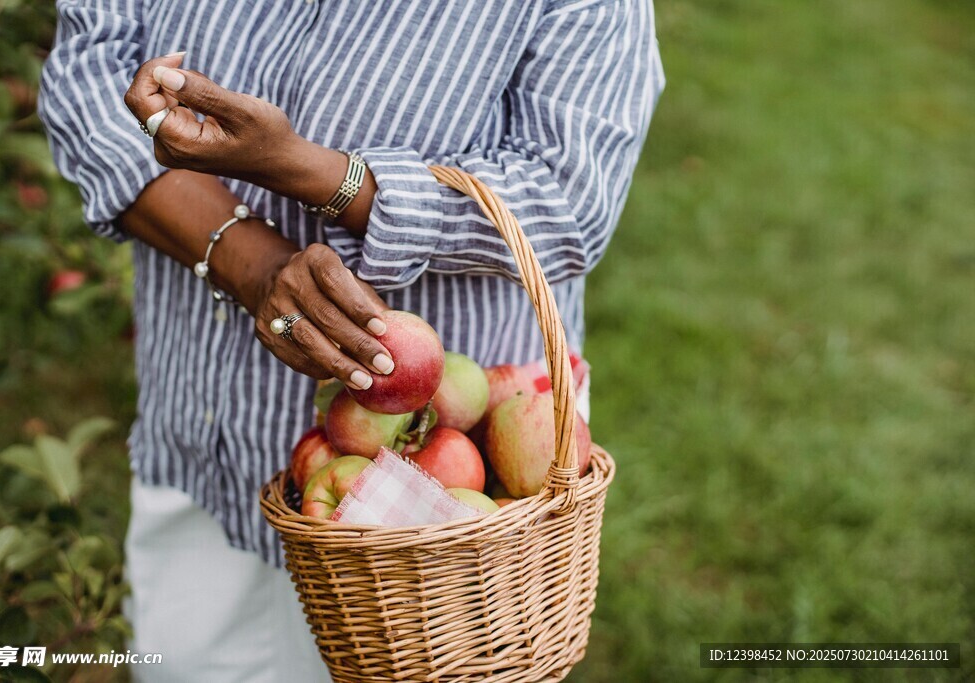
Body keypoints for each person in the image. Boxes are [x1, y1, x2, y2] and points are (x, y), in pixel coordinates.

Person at [39, 0, 664, 680]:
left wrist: (316, 172)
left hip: (437, 506)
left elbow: (568, 199)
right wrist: (251, 263)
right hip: (208, 433)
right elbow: (88, 70)